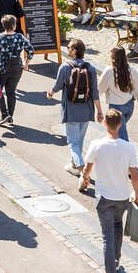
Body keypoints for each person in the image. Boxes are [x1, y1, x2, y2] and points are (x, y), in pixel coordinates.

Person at [80, 108, 138, 273]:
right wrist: (137, 196)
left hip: (104, 197)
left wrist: (85, 179)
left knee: (107, 237)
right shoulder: (128, 147)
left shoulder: (97, 145)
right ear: (120, 125)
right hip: (122, 196)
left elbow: (88, 167)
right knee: (117, 225)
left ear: (105, 123)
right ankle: (115, 260)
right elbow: (135, 176)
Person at [48, 39, 102, 174]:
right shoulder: (91, 68)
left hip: (71, 109)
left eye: (70, 47)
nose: (67, 49)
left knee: (72, 143)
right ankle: (74, 164)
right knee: (79, 140)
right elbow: (95, 92)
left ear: (75, 51)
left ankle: (80, 167)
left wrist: (51, 93)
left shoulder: (65, 67)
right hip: (86, 109)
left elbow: (58, 85)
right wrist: (99, 111)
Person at [0, 14, 33, 128]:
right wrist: (26, 64)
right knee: (11, 92)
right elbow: (31, 50)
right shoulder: (20, 37)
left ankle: (4, 113)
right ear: (14, 25)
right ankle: (10, 116)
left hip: (1, 69)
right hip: (16, 68)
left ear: (3, 25)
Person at [100, 46, 138, 140]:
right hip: (129, 105)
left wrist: (94, 102)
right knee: (119, 131)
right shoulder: (132, 70)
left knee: (121, 135)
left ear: (113, 59)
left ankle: (126, 152)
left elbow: (100, 88)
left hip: (116, 107)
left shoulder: (109, 71)